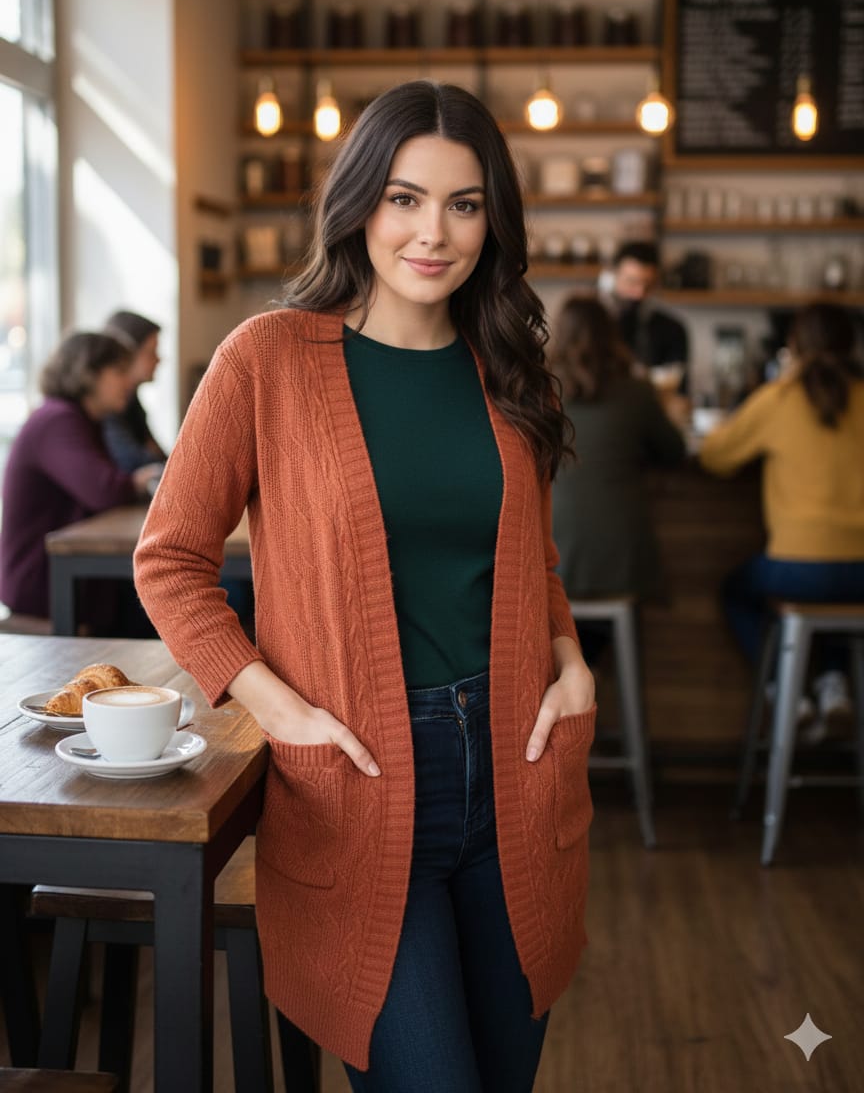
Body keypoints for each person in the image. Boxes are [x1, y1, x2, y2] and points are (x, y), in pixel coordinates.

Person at [134, 80, 596, 1091]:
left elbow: (534, 564)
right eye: (404, 197)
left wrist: (570, 662)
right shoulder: (269, 358)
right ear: (358, 205)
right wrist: (279, 707)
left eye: (464, 203)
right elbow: (168, 557)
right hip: (360, 781)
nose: (434, 231)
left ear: (494, 218)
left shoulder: (512, 370)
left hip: (518, 772)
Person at [700, 302, 864, 736]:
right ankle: (835, 684)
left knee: (736, 592)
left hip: (797, 570)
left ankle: (786, 691)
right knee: (840, 597)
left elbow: (715, 456)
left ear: (794, 346)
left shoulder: (780, 397)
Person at [550, 296, 686, 661]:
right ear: (613, 337)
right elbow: (674, 452)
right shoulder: (637, 393)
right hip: (623, 561)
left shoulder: (536, 389)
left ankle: (580, 670)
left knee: (561, 617)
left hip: (552, 559)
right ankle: (590, 667)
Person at [0, 332, 163, 627]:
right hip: (44, 582)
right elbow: (104, 490)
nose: (129, 382)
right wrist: (137, 482)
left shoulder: (78, 419)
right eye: (119, 372)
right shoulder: (57, 420)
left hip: (70, 577)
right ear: (88, 374)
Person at [603, 240, 689, 388]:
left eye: (648, 285)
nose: (639, 293)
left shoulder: (672, 329)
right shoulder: (596, 324)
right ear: (612, 278)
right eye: (631, 282)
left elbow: (679, 387)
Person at [102, 309, 167, 473]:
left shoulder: (132, 400)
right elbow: (131, 460)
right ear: (126, 356)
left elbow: (159, 456)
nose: (159, 359)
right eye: (151, 352)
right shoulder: (108, 404)